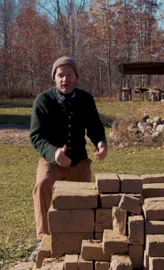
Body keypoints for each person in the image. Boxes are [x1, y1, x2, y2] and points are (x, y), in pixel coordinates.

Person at [29, 56, 107, 261]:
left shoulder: (85, 99)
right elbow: (36, 136)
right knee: (42, 186)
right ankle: (43, 240)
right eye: (60, 75)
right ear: (54, 78)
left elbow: (94, 126)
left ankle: (79, 240)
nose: (65, 79)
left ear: (76, 77)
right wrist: (54, 153)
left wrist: (101, 143)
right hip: (51, 159)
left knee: (84, 198)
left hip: (78, 160)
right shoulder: (42, 101)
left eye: (69, 75)